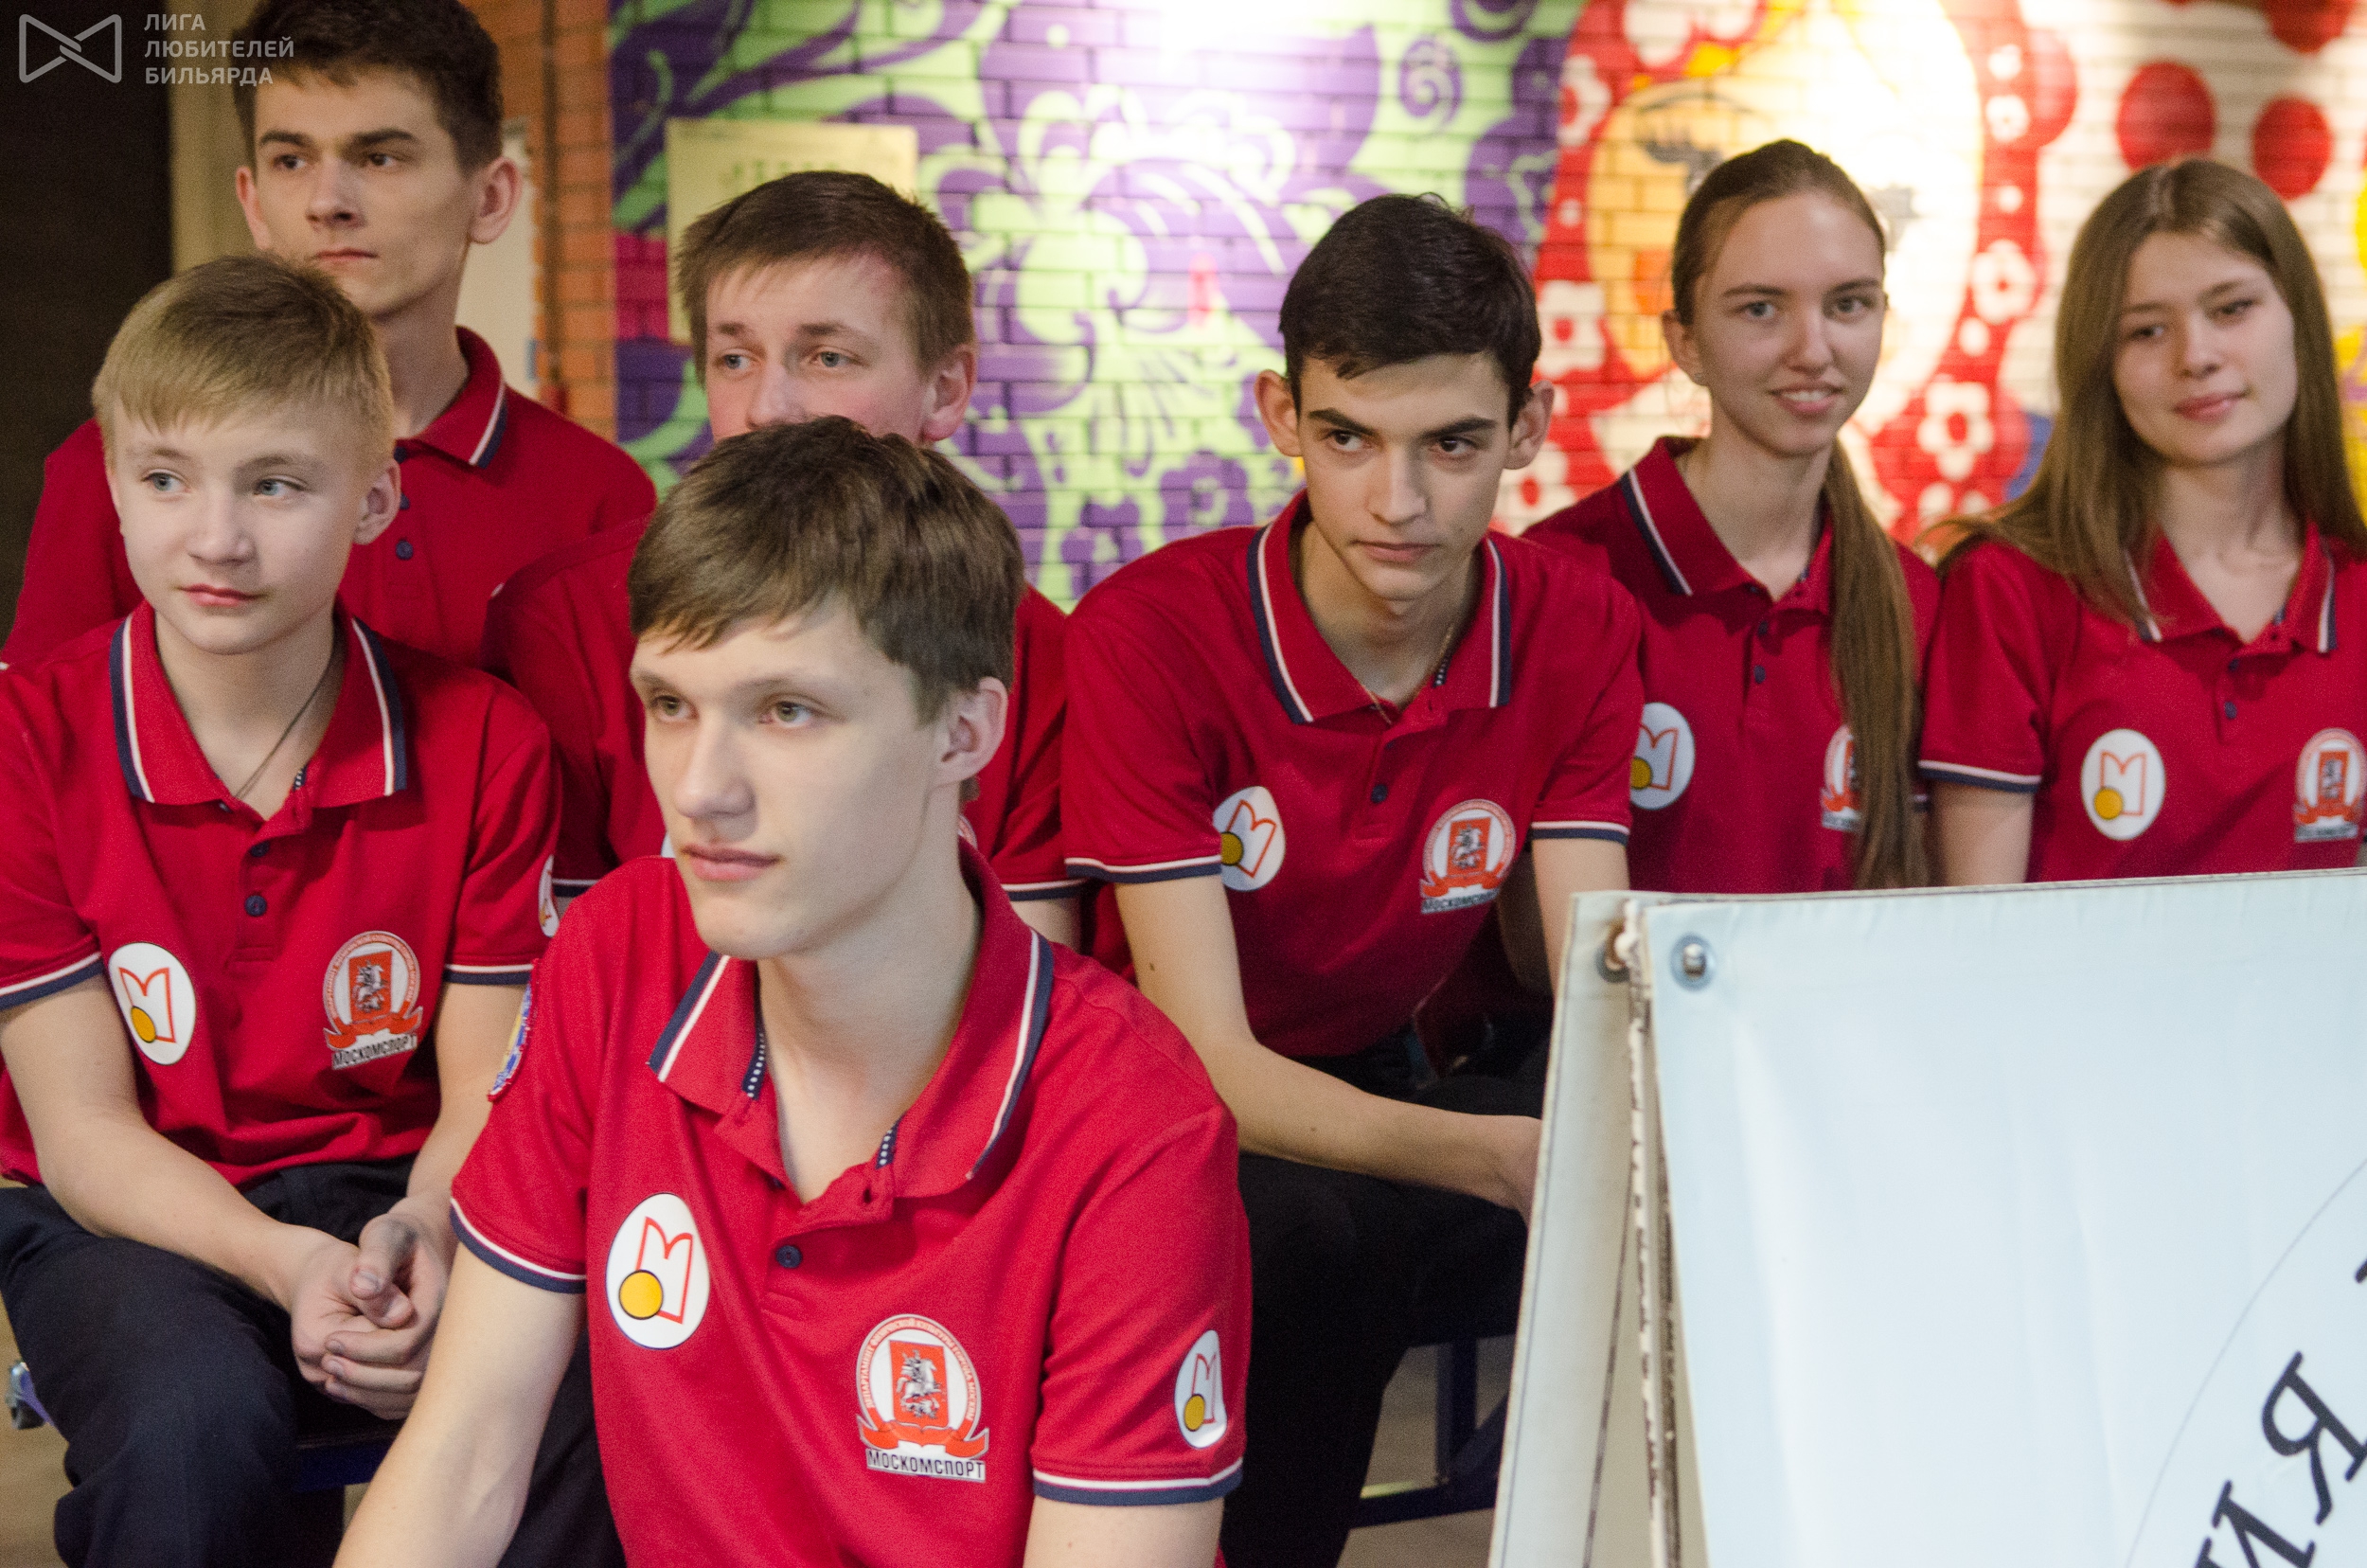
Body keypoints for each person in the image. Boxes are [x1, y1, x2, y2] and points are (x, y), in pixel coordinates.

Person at [335, 419, 1250, 1568]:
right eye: (671, 705)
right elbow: (464, 1453)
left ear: (963, 732)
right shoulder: (621, 952)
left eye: (787, 712)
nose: (700, 791)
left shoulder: (1134, 1124)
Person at [0, 257, 612, 1567]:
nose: (216, 540)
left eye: (275, 485)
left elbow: (484, 1094)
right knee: (192, 1421)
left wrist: (428, 1231)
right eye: (166, 480)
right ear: (111, 488)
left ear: (373, 498)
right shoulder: (27, 742)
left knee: (596, 1389)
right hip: (129, 1212)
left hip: (401, 1183)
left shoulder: (487, 741)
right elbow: (82, 1133)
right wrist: (284, 1266)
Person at [1059, 194, 1643, 1567]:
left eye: (1452, 444)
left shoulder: (1576, 621)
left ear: (1528, 428)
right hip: (1158, 1099)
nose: (1399, 501)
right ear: (1281, 415)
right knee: (1321, 1245)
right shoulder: (1151, 634)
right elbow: (1207, 1058)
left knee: (1672, 1204)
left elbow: (1593, 973)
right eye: (1349, 438)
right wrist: (1503, 1158)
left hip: (1382, 1078)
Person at [480, 171, 1077, 941]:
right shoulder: (565, 619)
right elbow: (575, 965)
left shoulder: (1041, 653)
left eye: (827, 357)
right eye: (735, 359)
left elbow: (1031, 970)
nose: (767, 408)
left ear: (945, 388)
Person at [2, 0, 654, 672]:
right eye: (291, 161)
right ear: (253, 202)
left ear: (489, 199)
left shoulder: (600, 498)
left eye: (380, 158)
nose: (327, 202)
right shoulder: (127, 470)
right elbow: (46, 726)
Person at [1922, 157, 2367, 882]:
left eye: (2232, 308)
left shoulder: (2357, 592)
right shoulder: (2009, 589)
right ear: (2100, 364)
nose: (2197, 357)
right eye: (2147, 331)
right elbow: (1981, 927)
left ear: (2301, 322)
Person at [1528, 139, 1935, 892]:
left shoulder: (1916, 600)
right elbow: (1527, 930)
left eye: (1848, 304)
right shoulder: (1565, 577)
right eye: (1760, 309)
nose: (1813, 349)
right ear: (1685, 342)